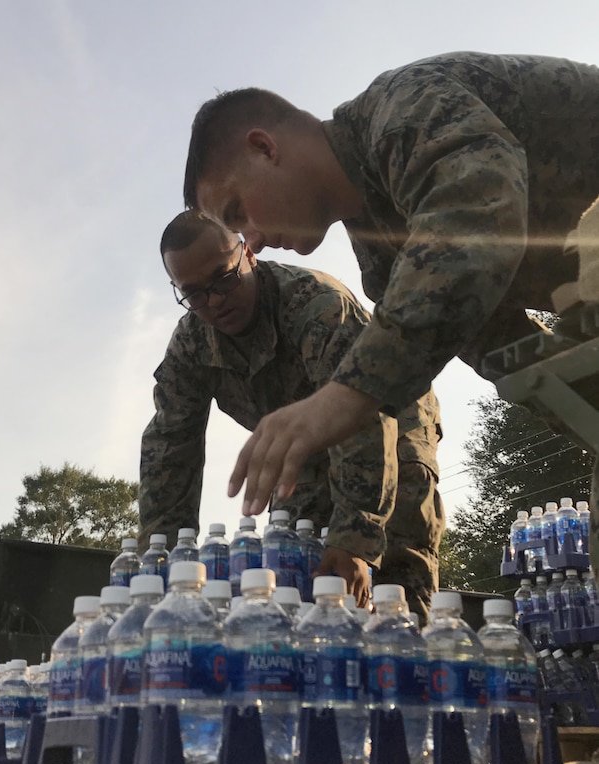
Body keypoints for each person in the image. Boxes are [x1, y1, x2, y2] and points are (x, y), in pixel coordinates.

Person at [183, 51, 599, 575]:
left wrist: (346, 394)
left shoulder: (401, 107)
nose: (254, 244)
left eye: (239, 213)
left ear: (265, 148)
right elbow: (519, 358)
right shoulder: (384, 265)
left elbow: (476, 213)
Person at [139, 210, 444, 615]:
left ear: (247, 252)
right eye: (194, 293)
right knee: (297, 585)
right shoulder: (189, 347)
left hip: (390, 425)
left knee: (392, 588)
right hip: (302, 455)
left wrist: (355, 541)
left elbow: (365, 417)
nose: (214, 301)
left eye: (223, 279)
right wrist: (163, 568)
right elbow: (169, 454)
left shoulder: (317, 306)